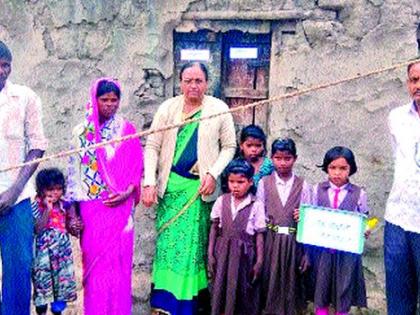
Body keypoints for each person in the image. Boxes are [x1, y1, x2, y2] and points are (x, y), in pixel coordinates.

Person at [143, 62, 236, 315]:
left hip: (198, 191)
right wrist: (149, 182)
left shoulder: (218, 109)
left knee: (192, 248)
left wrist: (213, 173)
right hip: (170, 190)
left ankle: (188, 307)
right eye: (188, 80)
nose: (193, 85)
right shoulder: (168, 109)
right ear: (180, 82)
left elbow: (229, 147)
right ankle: (163, 305)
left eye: (198, 80)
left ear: (206, 83)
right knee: (168, 248)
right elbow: (152, 146)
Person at [66, 77, 143, 315]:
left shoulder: (126, 130)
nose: (110, 104)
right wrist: (71, 213)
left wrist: (127, 193)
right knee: (96, 267)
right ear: (95, 100)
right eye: (104, 100)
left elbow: (137, 168)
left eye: (114, 100)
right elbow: (73, 175)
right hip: (92, 210)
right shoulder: (81, 134)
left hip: (121, 210)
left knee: (119, 266)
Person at [0, 40, 48, 315]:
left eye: (6, 65)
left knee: (18, 271)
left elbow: (38, 145)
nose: (2, 71)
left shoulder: (25, 97)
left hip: (17, 201)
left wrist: (14, 190)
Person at [307, 146, 368, 315]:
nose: (337, 173)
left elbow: (364, 218)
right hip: (322, 253)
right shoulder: (316, 190)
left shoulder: (359, 194)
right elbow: (311, 216)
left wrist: (365, 230)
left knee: (344, 289)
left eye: (343, 168)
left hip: (346, 254)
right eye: (333, 168)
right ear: (326, 167)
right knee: (321, 289)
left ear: (351, 169)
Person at [257, 138, 312, 315]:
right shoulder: (264, 183)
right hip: (270, 241)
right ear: (271, 158)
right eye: (278, 158)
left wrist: (306, 253)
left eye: (287, 158)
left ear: (295, 159)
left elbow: (308, 219)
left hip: (293, 242)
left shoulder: (303, 185)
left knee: (291, 282)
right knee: (269, 280)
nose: (282, 163)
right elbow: (259, 214)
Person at [207, 158, 265, 315]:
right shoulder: (221, 201)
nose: (235, 186)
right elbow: (214, 227)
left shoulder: (256, 205)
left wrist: (259, 261)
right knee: (220, 290)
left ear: (250, 182)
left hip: (244, 258)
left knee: (242, 293)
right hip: (222, 255)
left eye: (240, 182)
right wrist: (210, 254)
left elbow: (260, 235)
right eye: (232, 181)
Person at [384, 61, 420, 314]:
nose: (418, 86)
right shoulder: (396, 118)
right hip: (398, 218)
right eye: (414, 79)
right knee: (398, 298)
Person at [32, 168, 81, 315]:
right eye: (50, 189)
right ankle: (41, 311)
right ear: (41, 190)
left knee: (61, 282)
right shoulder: (36, 204)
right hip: (43, 253)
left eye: (59, 189)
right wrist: (48, 209)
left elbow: (72, 227)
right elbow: (38, 229)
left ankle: (57, 311)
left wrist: (75, 224)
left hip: (62, 253)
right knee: (43, 282)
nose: (55, 193)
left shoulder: (65, 204)